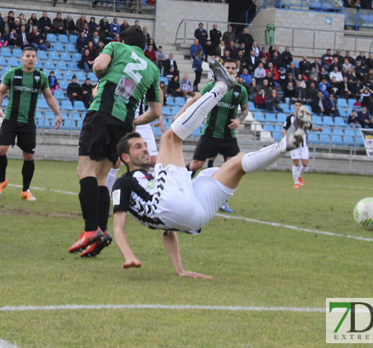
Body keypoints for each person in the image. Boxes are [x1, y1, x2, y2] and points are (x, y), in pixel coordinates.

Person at [111, 94, 311, 275]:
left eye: (145, 145)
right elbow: (118, 227)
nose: (146, 150)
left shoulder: (154, 180)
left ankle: (284, 145)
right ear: (125, 157)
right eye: (139, 147)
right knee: (169, 137)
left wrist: (180, 270)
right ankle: (219, 89)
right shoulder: (123, 183)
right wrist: (128, 255)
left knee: (237, 163)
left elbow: (168, 231)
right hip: (174, 206)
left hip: (194, 215)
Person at [70, 26, 162, 257]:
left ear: (122, 40)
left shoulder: (116, 47)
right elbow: (156, 112)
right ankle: (101, 232)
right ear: (144, 46)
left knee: (86, 170)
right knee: (102, 177)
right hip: (124, 123)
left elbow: (99, 66)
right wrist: (136, 121)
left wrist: (102, 77)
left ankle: (91, 229)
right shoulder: (152, 68)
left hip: (102, 112)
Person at [0, 47, 62, 201]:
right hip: (10, 119)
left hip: (28, 122)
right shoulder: (13, 74)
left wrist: (57, 113)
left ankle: (25, 191)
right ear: (22, 58)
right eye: (28, 56)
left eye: (33, 56)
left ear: (36, 59)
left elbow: (48, 96)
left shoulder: (40, 76)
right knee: (0, 150)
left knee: (29, 156)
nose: (31, 58)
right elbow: (0, 91)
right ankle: (2, 180)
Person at [183, 58, 249, 213]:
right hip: (210, 134)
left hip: (228, 136)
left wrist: (239, 120)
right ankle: (178, 188)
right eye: (228, 68)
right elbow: (195, 99)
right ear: (222, 70)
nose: (231, 70)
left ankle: (222, 201)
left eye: (233, 68)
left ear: (236, 70)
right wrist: (182, 113)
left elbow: (245, 110)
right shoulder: (212, 86)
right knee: (195, 166)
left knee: (232, 168)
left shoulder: (241, 90)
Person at [284, 101, 323, 188]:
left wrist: (317, 130)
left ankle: (299, 175)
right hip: (294, 143)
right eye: (296, 105)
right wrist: (285, 140)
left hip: (303, 144)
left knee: (305, 164)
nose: (298, 107)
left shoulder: (305, 117)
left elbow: (309, 127)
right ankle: (296, 182)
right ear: (294, 107)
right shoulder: (290, 118)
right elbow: (285, 130)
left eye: (300, 105)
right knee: (295, 162)